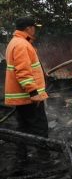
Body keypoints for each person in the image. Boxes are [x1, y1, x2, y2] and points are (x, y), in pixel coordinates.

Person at [5, 16, 49, 163]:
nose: (35, 29)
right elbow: (23, 71)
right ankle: (44, 159)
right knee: (40, 127)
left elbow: (27, 66)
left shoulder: (16, 42)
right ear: (28, 28)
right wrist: (33, 92)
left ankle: (21, 156)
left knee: (23, 127)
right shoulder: (22, 44)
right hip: (29, 96)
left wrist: (42, 73)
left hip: (22, 96)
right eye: (34, 27)